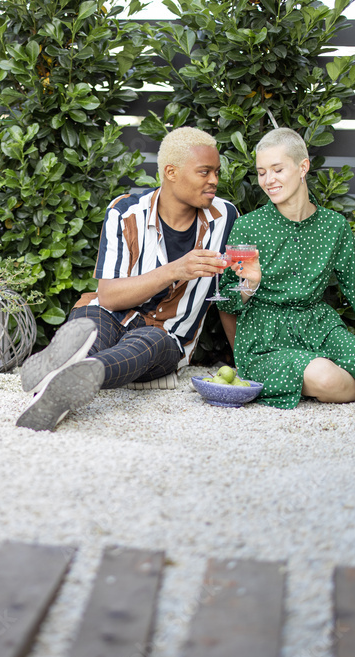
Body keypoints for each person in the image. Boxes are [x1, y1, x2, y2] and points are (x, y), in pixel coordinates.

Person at [16, 126, 239, 431]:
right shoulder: (126, 212)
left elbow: (229, 293)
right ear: (171, 172)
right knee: (91, 326)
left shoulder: (225, 217)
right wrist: (177, 269)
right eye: (204, 172)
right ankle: (60, 384)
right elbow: (108, 296)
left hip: (167, 336)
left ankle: (74, 374)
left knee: (147, 341)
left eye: (216, 171)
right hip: (108, 311)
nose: (214, 180)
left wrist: (242, 360)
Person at [215, 127, 355, 410]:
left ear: (303, 167)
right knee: (325, 376)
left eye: (277, 169)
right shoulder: (249, 226)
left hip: (320, 328)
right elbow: (227, 300)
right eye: (262, 172)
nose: (268, 180)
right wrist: (250, 285)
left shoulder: (333, 226)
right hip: (265, 340)